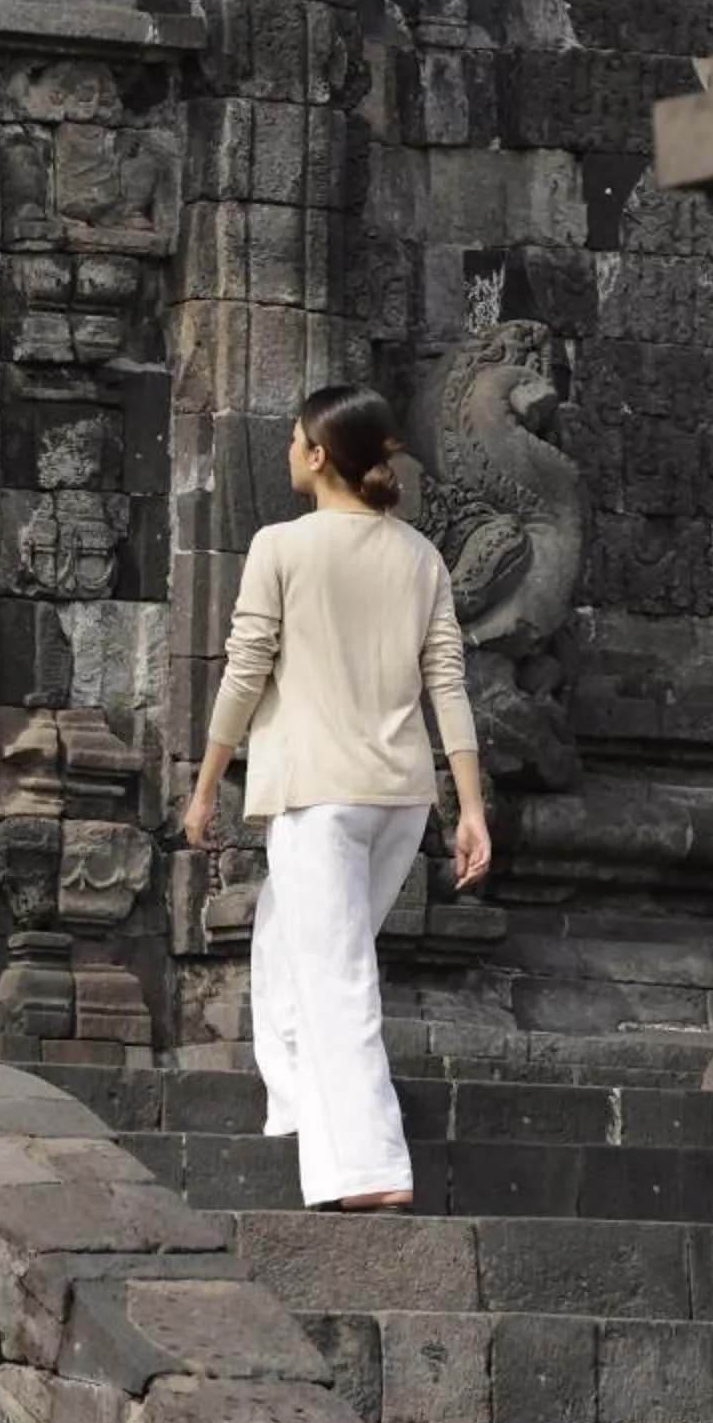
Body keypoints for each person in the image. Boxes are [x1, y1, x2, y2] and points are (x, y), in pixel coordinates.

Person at [183, 383, 492, 1214]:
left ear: (319, 456)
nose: (288, 451)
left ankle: (369, 1165)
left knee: (337, 976)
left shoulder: (281, 546)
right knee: (283, 946)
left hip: (319, 796)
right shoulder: (420, 556)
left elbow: (245, 673)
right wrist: (468, 809)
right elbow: (448, 685)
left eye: (296, 440)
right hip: (398, 798)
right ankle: (297, 1111)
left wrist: (206, 787)